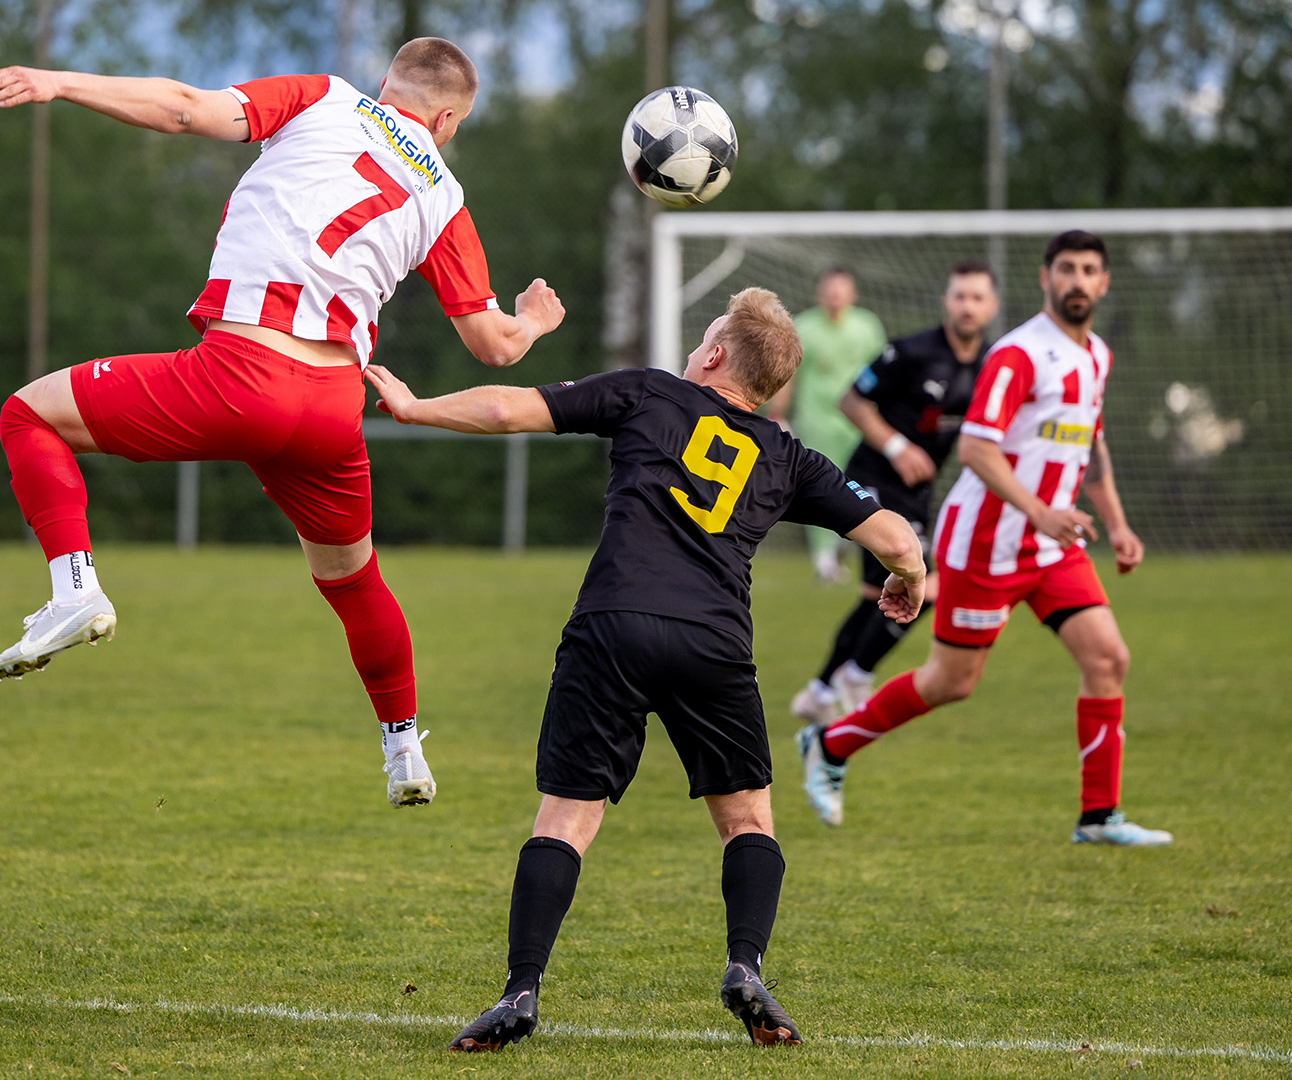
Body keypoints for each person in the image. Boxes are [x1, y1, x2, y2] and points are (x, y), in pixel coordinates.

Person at [0, 38, 566, 808]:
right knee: (355, 582)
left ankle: (75, 588)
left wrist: (57, 81)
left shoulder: (324, 95)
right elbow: (494, 343)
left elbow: (186, 110)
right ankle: (402, 746)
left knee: (28, 413)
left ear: (385, 84)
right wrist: (535, 323)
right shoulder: (446, 198)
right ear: (447, 120)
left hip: (240, 374)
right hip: (330, 410)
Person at [364, 287, 927, 1051]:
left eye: (705, 338)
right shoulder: (787, 455)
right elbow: (895, 534)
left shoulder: (648, 394)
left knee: (565, 819)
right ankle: (744, 965)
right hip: (713, 643)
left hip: (612, 627)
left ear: (718, 355)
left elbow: (506, 410)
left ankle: (521, 989)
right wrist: (910, 581)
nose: (695, 347)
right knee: (748, 820)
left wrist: (412, 405)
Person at [797, 232, 1173, 847]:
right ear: (1045, 277)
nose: (1078, 280)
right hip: (987, 543)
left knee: (1109, 658)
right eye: (1067, 269)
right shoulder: (1019, 354)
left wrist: (1120, 523)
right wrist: (1040, 511)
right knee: (951, 682)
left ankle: (1099, 817)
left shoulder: (1097, 356)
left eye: (1090, 271)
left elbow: (1091, 444)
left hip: (1052, 547)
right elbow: (974, 447)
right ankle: (830, 743)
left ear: (1103, 283)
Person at [792, 262, 998, 725]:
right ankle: (856, 673)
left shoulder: (992, 365)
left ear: (992, 306)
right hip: (873, 480)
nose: (968, 306)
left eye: (977, 298)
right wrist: (897, 445)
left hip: (916, 495)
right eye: (960, 296)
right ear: (947, 301)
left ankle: (821, 689)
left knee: (875, 595)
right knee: (926, 584)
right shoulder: (911, 351)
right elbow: (851, 400)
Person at [765, 266, 886, 582]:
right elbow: (787, 374)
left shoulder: (867, 326)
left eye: (841, 289)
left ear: (852, 293)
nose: (835, 296)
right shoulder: (804, 325)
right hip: (817, 421)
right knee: (818, 486)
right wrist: (778, 411)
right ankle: (823, 558)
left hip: (858, 422)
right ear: (820, 292)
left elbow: (884, 373)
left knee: (863, 485)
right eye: (830, 289)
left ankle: (861, 548)